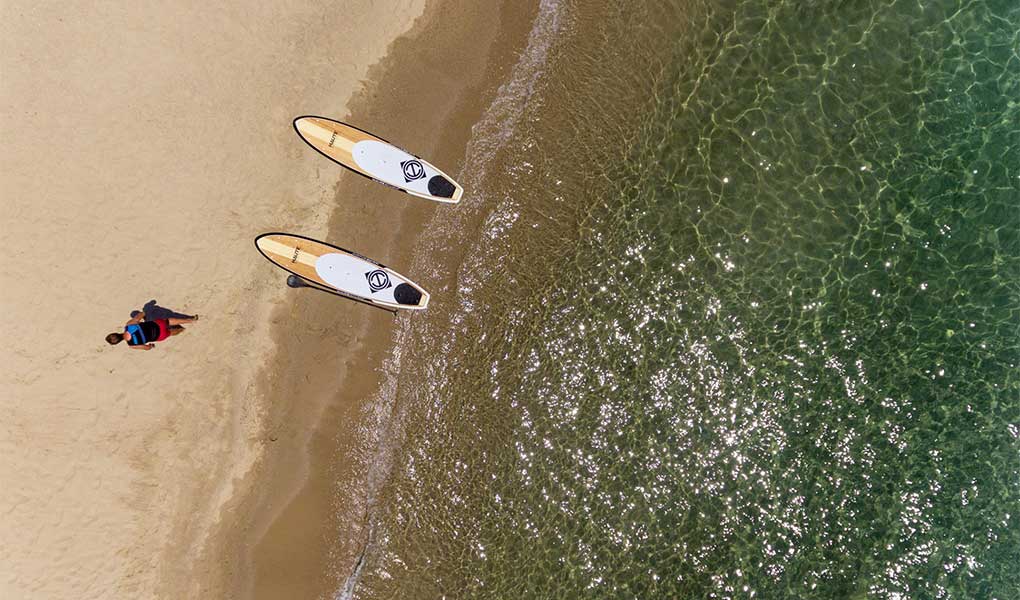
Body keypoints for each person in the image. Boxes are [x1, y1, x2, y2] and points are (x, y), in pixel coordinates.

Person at [105, 310, 198, 350]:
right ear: (116, 333)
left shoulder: (132, 345)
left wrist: (151, 346)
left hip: (159, 336)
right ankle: (190, 320)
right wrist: (143, 314)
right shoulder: (129, 326)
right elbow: (140, 315)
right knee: (168, 322)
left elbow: (146, 348)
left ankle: (181, 330)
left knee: (169, 333)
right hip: (157, 325)